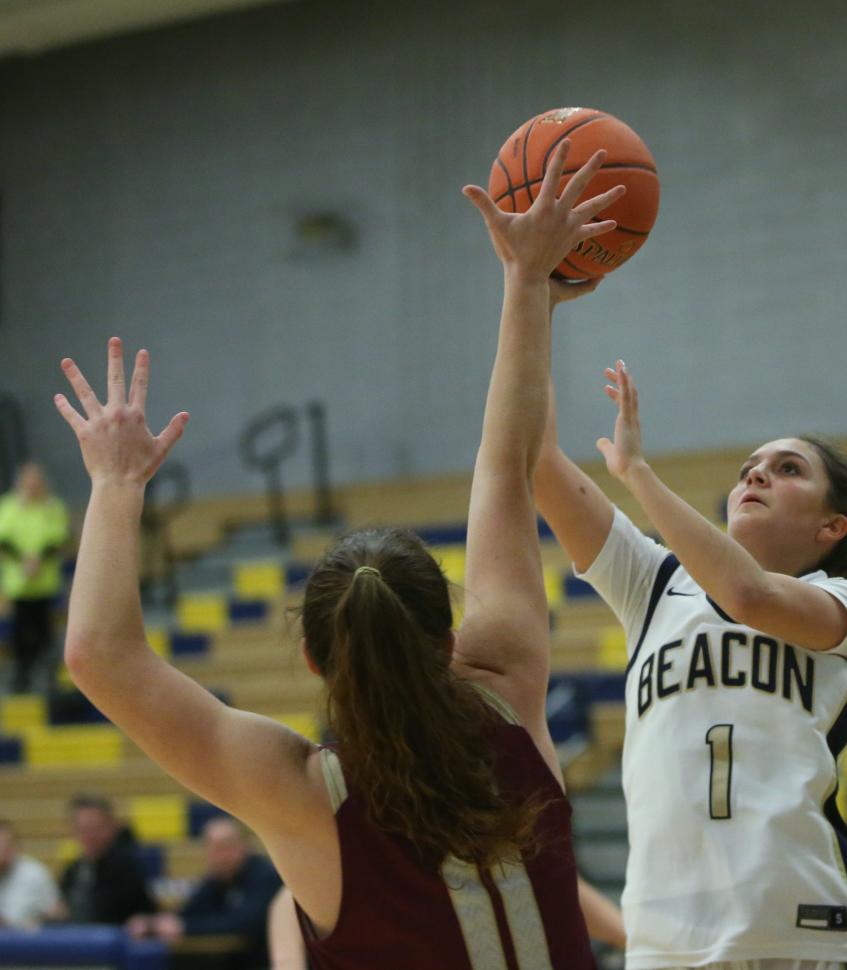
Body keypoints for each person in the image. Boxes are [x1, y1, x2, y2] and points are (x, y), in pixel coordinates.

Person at [53, 141, 625, 968]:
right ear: (447, 635)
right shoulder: (509, 689)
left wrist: (115, 484)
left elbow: (99, 655)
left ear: (318, 661)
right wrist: (526, 283)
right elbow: (506, 466)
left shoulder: (296, 793)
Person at [533, 345, 847, 967]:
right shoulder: (652, 583)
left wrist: (638, 472)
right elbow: (535, 460)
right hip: (665, 945)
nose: (756, 475)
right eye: (750, 467)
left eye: (788, 469)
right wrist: (529, 288)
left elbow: (748, 595)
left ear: (832, 526)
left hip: (804, 936)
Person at [127, 816, 281, 970]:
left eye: (224, 846)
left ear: (244, 845)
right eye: (212, 848)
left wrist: (186, 927)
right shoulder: (217, 878)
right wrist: (152, 924)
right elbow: (185, 915)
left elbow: (244, 923)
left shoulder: (264, 875)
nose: (219, 855)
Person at [0, 461, 69, 692]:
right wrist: (24, 561)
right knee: (20, 630)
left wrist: (38, 559)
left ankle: (50, 675)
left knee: (46, 631)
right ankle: (22, 676)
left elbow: (58, 537)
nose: (32, 485)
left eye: (36, 480)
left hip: (45, 582)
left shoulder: (52, 506)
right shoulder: (9, 506)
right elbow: (4, 538)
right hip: (19, 583)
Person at [59, 793, 155, 925]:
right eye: (84, 829)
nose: (90, 836)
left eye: (96, 828)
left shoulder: (129, 867)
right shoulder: (72, 870)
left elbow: (144, 913)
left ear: (112, 826)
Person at [0, 819, 63, 929]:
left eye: (6, 845)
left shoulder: (34, 874)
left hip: (28, 942)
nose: (4, 851)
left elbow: (58, 914)